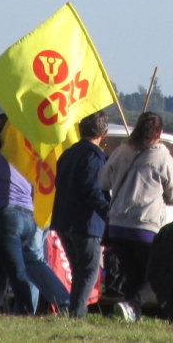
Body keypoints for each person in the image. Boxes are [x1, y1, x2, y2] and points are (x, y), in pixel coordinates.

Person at [0, 114, 69, 315]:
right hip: (29, 218)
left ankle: (26, 312)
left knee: (16, 271)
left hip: (5, 218)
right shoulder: (25, 158)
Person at [99, 111, 173, 322]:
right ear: (159, 133)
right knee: (157, 275)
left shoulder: (121, 151)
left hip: (117, 227)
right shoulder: (162, 157)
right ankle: (132, 305)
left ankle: (131, 315)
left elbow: (103, 182)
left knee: (132, 275)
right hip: (145, 228)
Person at [50, 110, 110, 318]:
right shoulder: (93, 157)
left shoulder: (69, 153)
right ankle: (77, 314)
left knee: (79, 271)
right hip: (85, 223)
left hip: (64, 220)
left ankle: (75, 311)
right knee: (88, 271)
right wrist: (109, 212)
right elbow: (92, 191)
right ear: (104, 133)